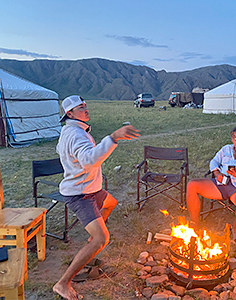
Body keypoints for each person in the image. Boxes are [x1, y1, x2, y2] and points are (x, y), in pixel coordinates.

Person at [52, 95, 139, 300]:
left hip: (91, 189)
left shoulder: (71, 131)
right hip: (80, 195)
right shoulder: (75, 134)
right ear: (69, 114)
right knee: (103, 238)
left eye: (85, 106)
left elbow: (62, 151)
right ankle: (62, 284)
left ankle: (93, 237)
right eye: (79, 108)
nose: (85, 109)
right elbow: (90, 160)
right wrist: (113, 137)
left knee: (112, 203)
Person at [185, 126, 236, 243]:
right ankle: (195, 224)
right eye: (234, 138)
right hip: (221, 183)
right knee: (192, 185)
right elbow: (214, 161)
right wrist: (217, 173)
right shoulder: (225, 149)